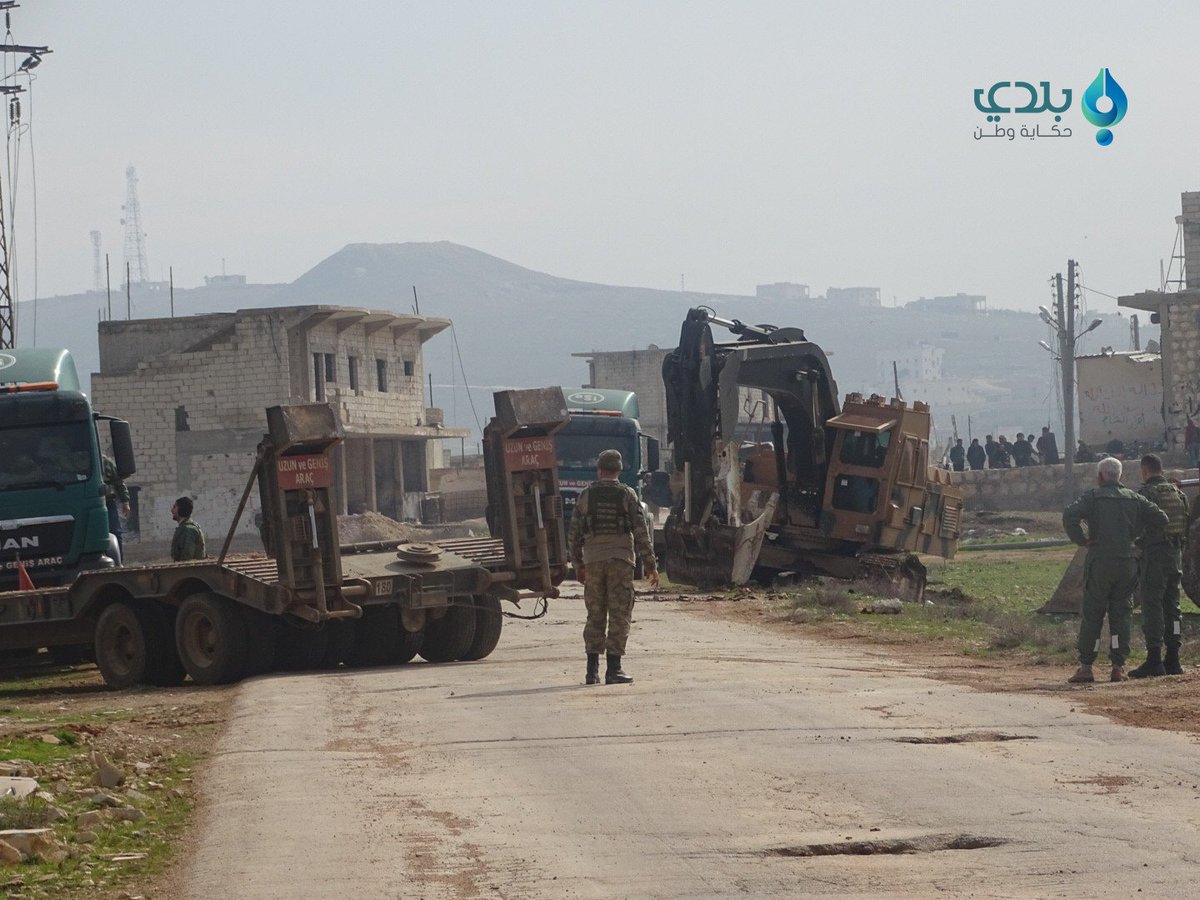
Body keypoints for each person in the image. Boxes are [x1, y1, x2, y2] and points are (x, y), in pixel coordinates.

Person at [1062, 457, 1168, 683]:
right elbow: (1161, 518)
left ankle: (1087, 667)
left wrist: (1081, 539)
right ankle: (1118, 667)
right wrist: (1139, 539)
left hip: (1100, 562)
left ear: (1100, 476)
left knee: (1093, 615)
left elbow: (1070, 515)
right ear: (1121, 476)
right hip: (1126, 563)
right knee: (1121, 615)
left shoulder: (1092, 498)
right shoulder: (1135, 498)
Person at [567, 449, 658, 685]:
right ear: (618, 470)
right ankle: (614, 669)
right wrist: (651, 565)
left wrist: (578, 564)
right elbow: (641, 532)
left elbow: (574, 533)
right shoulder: (627, 495)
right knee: (619, 613)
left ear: (599, 470)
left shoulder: (586, 495)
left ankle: (591, 670)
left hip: (593, 561)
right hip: (620, 561)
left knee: (595, 612)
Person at [1130, 454, 1189, 678]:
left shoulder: (1146, 495)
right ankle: (1173, 657)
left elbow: (1138, 527)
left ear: (1145, 471)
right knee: (1173, 606)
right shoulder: (1178, 494)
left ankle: (1154, 658)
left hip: (1154, 556)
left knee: (1152, 606)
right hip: (1175, 556)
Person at [101, 454, 130, 559]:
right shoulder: (77, 460)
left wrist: (125, 502)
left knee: (115, 533)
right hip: (88, 502)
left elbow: (119, 482)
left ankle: (119, 562)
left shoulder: (106, 462)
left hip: (108, 502)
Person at [170, 496, 206, 562]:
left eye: (174, 507)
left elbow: (186, 559)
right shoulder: (185, 527)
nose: (172, 510)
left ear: (181, 509)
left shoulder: (188, 530)